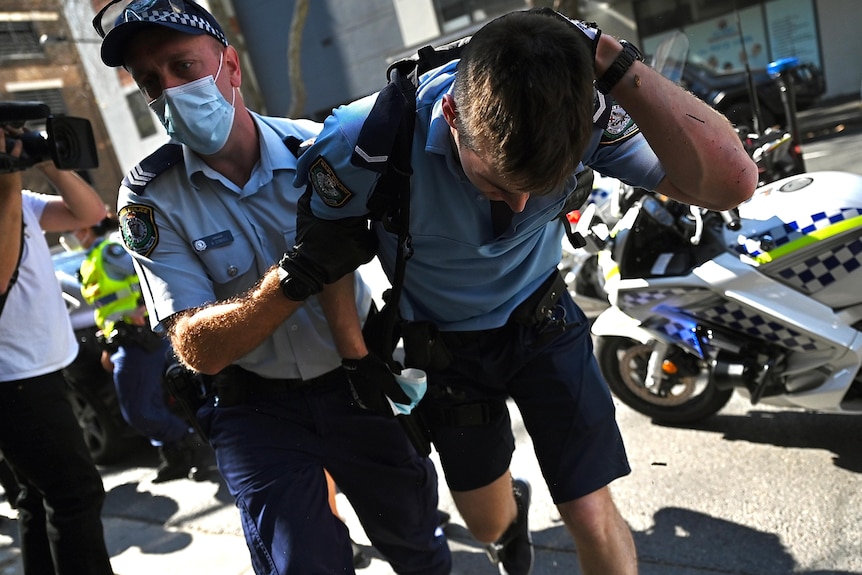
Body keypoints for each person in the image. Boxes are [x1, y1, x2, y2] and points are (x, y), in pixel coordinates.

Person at [281, 8, 759, 575]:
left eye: (541, 185)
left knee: (588, 509)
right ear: (452, 116)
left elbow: (731, 184)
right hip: (444, 350)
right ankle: (510, 521)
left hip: (544, 323)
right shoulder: (365, 139)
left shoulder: (588, 112)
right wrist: (357, 359)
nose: (517, 207)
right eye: (493, 184)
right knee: (486, 523)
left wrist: (612, 58)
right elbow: (327, 250)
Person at [93, 1, 450, 574]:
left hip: (357, 378)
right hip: (255, 408)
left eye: (184, 67)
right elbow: (196, 349)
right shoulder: (149, 198)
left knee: (418, 547)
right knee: (302, 564)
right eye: (150, 82)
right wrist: (294, 279)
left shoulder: (321, 149)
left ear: (231, 66)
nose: (170, 90)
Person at [0, 129, 115, 574]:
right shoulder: (10, 198)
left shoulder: (22, 202)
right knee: (76, 495)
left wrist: (48, 161)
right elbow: (2, 275)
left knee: (36, 496)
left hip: (41, 368)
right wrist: (9, 179)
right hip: (13, 378)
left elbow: (91, 213)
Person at [69, 216, 198, 483]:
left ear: (87, 227)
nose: (69, 235)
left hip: (139, 338)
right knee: (145, 404)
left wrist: (147, 306)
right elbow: (106, 309)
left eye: (74, 228)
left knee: (138, 410)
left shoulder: (109, 251)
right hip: (122, 340)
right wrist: (108, 346)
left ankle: (186, 442)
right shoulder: (92, 258)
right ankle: (176, 455)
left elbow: (150, 271)